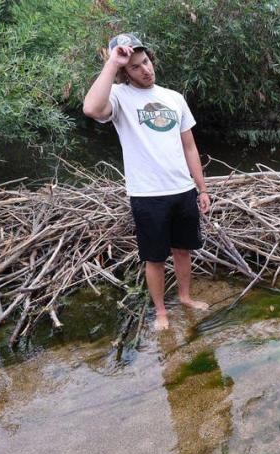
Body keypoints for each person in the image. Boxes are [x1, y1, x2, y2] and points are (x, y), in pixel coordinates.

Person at [82, 33, 210, 330]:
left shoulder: (174, 98)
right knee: (154, 257)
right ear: (125, 71)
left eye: (146, 61)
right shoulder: (119, 97)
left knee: (183, 250)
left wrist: (201, 188)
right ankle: (161, 311)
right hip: (148, 195)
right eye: (136, 66)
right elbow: (90, 108)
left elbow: (190, 147)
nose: (146, 69)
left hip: (182, 190)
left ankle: (185, 297)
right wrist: (113, 63)